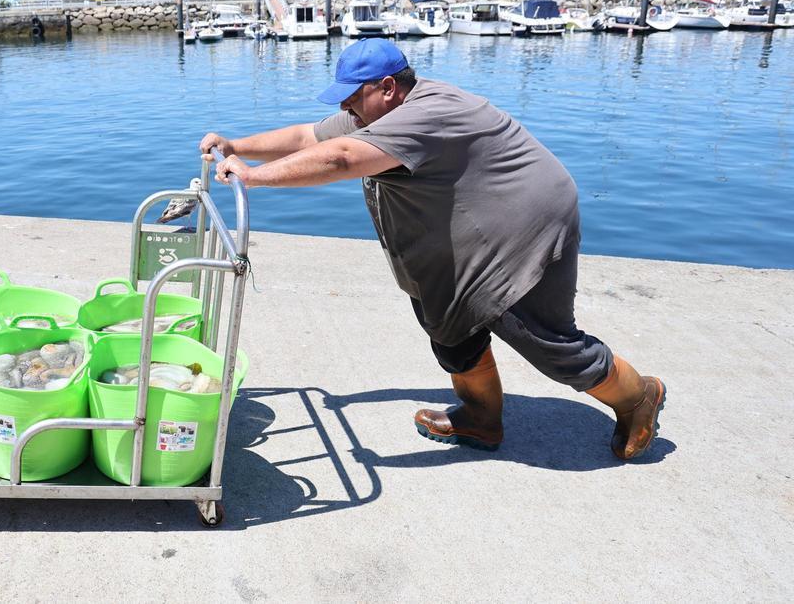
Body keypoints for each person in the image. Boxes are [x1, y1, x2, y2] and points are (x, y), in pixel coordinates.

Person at [199, 38, 665, 459]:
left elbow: (341, 157)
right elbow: (309, 137)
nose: (345, 106)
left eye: (352, 95)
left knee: (543, 340)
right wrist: (237, 144)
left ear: (387, 87)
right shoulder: (373, 109)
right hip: (462, 232)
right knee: (448, 324)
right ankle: (481, 419)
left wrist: (255, 176)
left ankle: (638, 396)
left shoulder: (425, 113)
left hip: (525, 226)